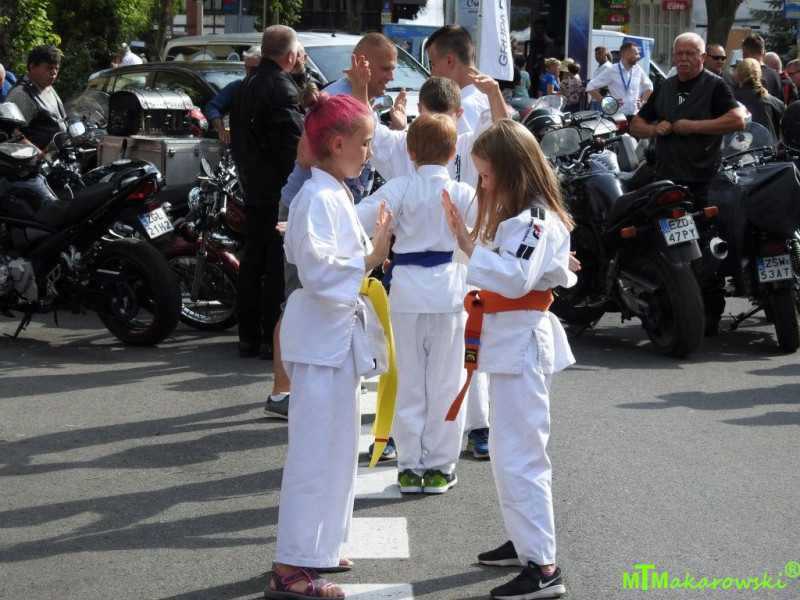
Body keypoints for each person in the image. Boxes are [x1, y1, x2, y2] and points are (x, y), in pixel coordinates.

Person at [267, 93, 394, 600]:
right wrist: (370, 257)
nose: (369, 152)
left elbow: (327, 258)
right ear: (337, 144)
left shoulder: (332, 190)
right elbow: (318, 272)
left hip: (334, 338)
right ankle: (290, 566)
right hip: (321, 339)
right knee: (314, 455)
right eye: (365, 143)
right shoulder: (317, 196)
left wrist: (369, 251)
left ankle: (320, 547)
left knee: (338, 450)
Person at [442, 118, 575, 600]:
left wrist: (466, 244)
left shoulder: (534, 218)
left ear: (510, 171)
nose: (481, 185)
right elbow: (534, 269)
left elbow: (517, 278)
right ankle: (526, 543)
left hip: (521, 343)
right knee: (508, 451)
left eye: (485, 174)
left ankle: (543, 566)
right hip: (510, 342)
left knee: (521, 455)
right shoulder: (526, 218)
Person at [356, 113, 475, 494]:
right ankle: (440, 467)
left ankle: (409, 467)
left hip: (406, 293)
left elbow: (356, 219)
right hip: (449, 294)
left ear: (409, 151)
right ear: (454, 152)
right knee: (446, 384)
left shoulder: (400, 187)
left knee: (407, 382)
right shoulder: (462, 192)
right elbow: (493, 230)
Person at [630, 32, 745, 336]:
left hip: (703, 181)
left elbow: (737, 120)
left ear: (702, 57)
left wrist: (695, 126)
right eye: (679, 53)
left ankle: (710, 316)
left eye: (690, 53)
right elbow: (636, 125)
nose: (683, 59)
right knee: (668, 248)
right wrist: (655, 128)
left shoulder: (715, 85)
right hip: (667, 183)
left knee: (706, 248)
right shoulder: (666, 87)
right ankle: (670, 307)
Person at [229, 25, 304, 360]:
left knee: (253, 261)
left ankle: (248, 336)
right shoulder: (280, 87)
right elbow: (290, 147)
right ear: (290, 54)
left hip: (253, 185)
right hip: (277, 189)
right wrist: (298, 184)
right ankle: (271, 337)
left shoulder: (247, 84)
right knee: (276, 264)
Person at [425, 25, 491, 134]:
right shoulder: (487, 97)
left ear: (449, 60)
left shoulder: (463, 108)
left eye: (433, 64)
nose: (432, 73)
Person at [5, 45, 67, 155]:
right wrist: (42, 155)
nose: (54, 73)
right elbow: (12, 133)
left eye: (56, 68)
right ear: (33, 67)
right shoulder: (21, 94)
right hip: (35, 162)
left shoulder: (46, 86)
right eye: (49, 68)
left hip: (58, 156)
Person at [204, 46, 262, 144]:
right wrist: (221, 129)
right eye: (246, 67)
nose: (248, 72)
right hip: (242, 146)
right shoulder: (237, 87)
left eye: (253, 69)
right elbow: (212, 106)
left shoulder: (275, 88)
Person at [586, 42, 652, 119]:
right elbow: (590, 87)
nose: (639, 57)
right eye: (636, 54)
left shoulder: (638, 69)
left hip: (635, 115)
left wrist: (643, 101)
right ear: (628, 55)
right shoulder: (612, 70)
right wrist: (606, 103)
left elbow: (649, 86)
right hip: (618, 117)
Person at [734, 58, 784, 143]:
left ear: (738, 75)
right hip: (768, 148)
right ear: (760, 75)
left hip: (737, 149)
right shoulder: (775, 102)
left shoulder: (730, 100)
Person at [741, 34, 782, 100]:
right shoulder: (775, 75)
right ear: (764, 53)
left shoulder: (742, 74)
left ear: (745, 53)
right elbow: (781, 102)